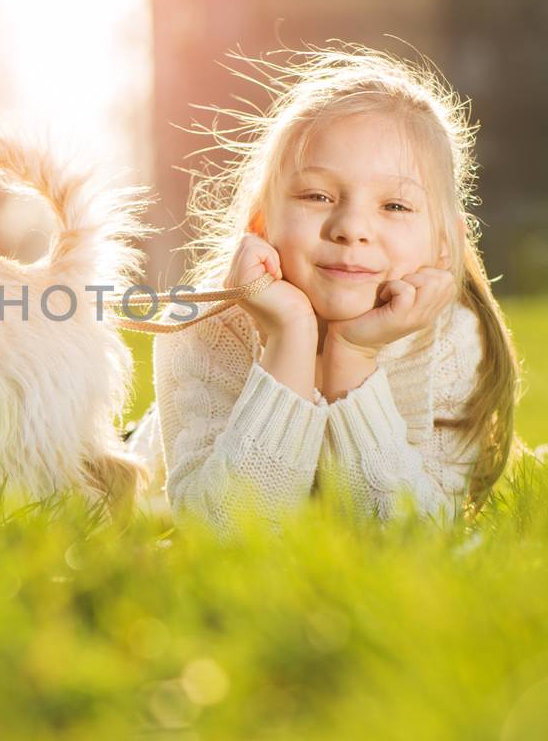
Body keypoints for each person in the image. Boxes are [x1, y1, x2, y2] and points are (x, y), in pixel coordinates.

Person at [126, 45, 521, 539]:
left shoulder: (451, 337)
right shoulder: (204, 332)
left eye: (395, 205)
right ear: (260, 224)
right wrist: (288, 337)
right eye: (317, 196)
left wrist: (353, 355)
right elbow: (226, 535)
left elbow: (411, 541)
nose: (351, 227)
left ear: (445, 246)